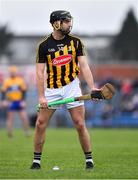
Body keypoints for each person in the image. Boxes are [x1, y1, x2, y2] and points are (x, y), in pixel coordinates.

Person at [30, 10, 98, 170]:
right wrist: (41, 96)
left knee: (80, 123)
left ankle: (89, 160)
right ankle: (36, 161)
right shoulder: (44, 45)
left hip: (72, 87)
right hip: (52, 89)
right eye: (66, 21)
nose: (70, 24)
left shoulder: (76, 42)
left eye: (70, 20)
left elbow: (84, 66)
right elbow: (39, 73)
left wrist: (92, 87)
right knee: (40, 124)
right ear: (56, 23)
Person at [1, 65, 30, 137]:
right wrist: (3, 101)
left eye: (13, 72)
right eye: (11, 72)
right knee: (10, 118)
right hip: (11, 101)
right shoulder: (7, 81)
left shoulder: (20, 80)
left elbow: (24, 91)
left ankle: (26, 131)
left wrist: (23, 101)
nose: (12, 73)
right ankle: (10, 133)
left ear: (16, 72)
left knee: (24, 117)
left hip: (19, 101)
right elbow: (3, 92)